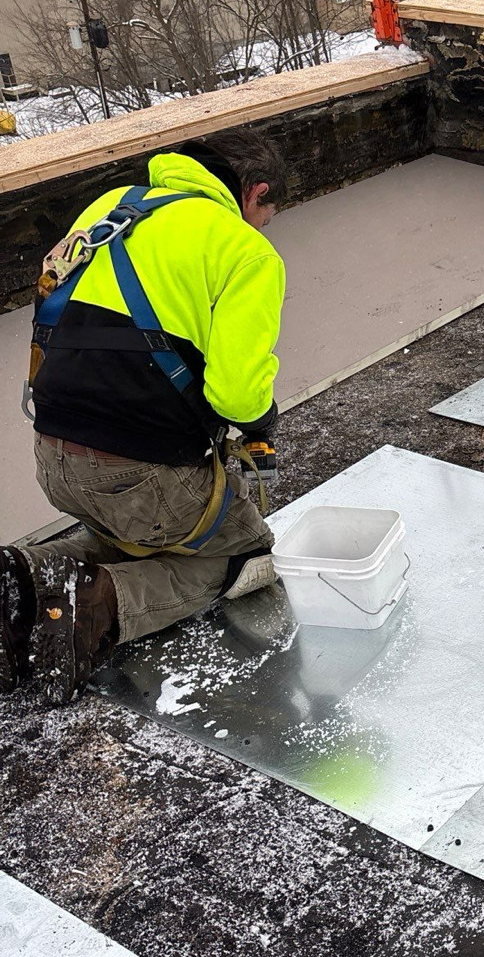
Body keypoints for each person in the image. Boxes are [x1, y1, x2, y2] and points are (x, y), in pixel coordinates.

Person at [0, 128, 287, 706]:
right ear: (253, 192)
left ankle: (22, 576)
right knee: (241, 555)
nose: (261, 228)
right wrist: (263, 423)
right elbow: (235, 396)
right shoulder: (243, 249)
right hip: (138, 474)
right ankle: (92, 610)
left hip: (54, 458)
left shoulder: (113, 206)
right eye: (266, 214)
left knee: (136, 532)